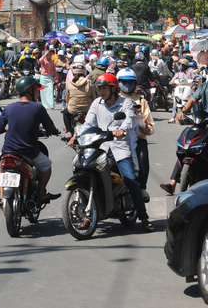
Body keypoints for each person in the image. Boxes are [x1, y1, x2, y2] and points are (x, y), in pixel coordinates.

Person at [75, 73, 153, 232]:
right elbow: (88, 123)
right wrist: (77, 136)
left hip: (120, 148)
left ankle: (144, 217)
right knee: (84, 172)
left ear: (113, 89)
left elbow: (129, 120)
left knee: (130, 180)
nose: (101, 91)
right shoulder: (97, 103)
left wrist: (121, 131)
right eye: (99, 88)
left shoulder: (127, 103)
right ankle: (88, 214)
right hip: (100, 146)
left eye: (104, 88)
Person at [161, 58, 208, 193]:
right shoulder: (204, 86)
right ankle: (173, 183)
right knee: (186, 148)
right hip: (203, 127)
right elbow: (192, 99)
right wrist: (182, 111)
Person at [0, 76, 61, 206]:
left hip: (8, 151)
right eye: (36, 90)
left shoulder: (8, 108)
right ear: (29, 90)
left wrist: (7, 128)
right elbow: (50, 127)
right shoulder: (38, 107)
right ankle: (42, 193)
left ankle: (2, 195)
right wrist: (54, 131)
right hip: (29, 152)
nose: (37, 93)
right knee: (47, 166)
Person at [116, 68, 154, 198]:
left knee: (143, 156)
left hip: (136, 138)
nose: (127, 85)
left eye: (130, 82)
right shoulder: (113, 99)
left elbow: (150, 124)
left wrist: (146, 129)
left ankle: (142, 187)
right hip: (116, 138)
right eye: (124, 82)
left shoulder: (141, 101)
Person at [62, 62, 97, 139]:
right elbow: (94, 97)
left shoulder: (69, 83)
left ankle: (68, 131)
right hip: (87, 109)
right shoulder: (88, 82)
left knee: (65, 113)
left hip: (72, 109)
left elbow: (67, 98)